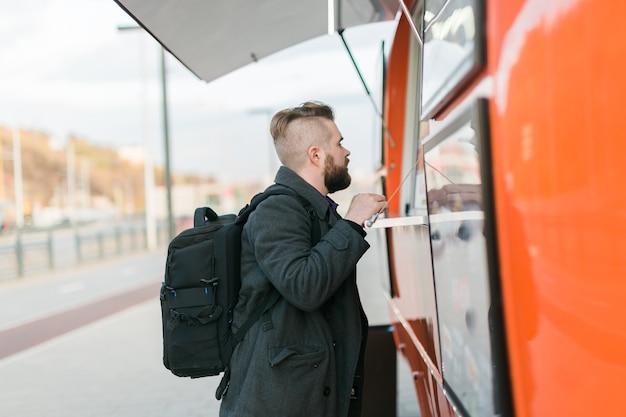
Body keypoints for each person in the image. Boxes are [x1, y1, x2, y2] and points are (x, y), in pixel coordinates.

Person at [219, 101, 386, 417]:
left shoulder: (315, 210)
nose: (346, 152)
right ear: (316, 155)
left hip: (304, 394)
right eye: (339, 143)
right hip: (278, 401)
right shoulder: (277, 210)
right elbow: (304, 286)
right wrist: (352, 222)